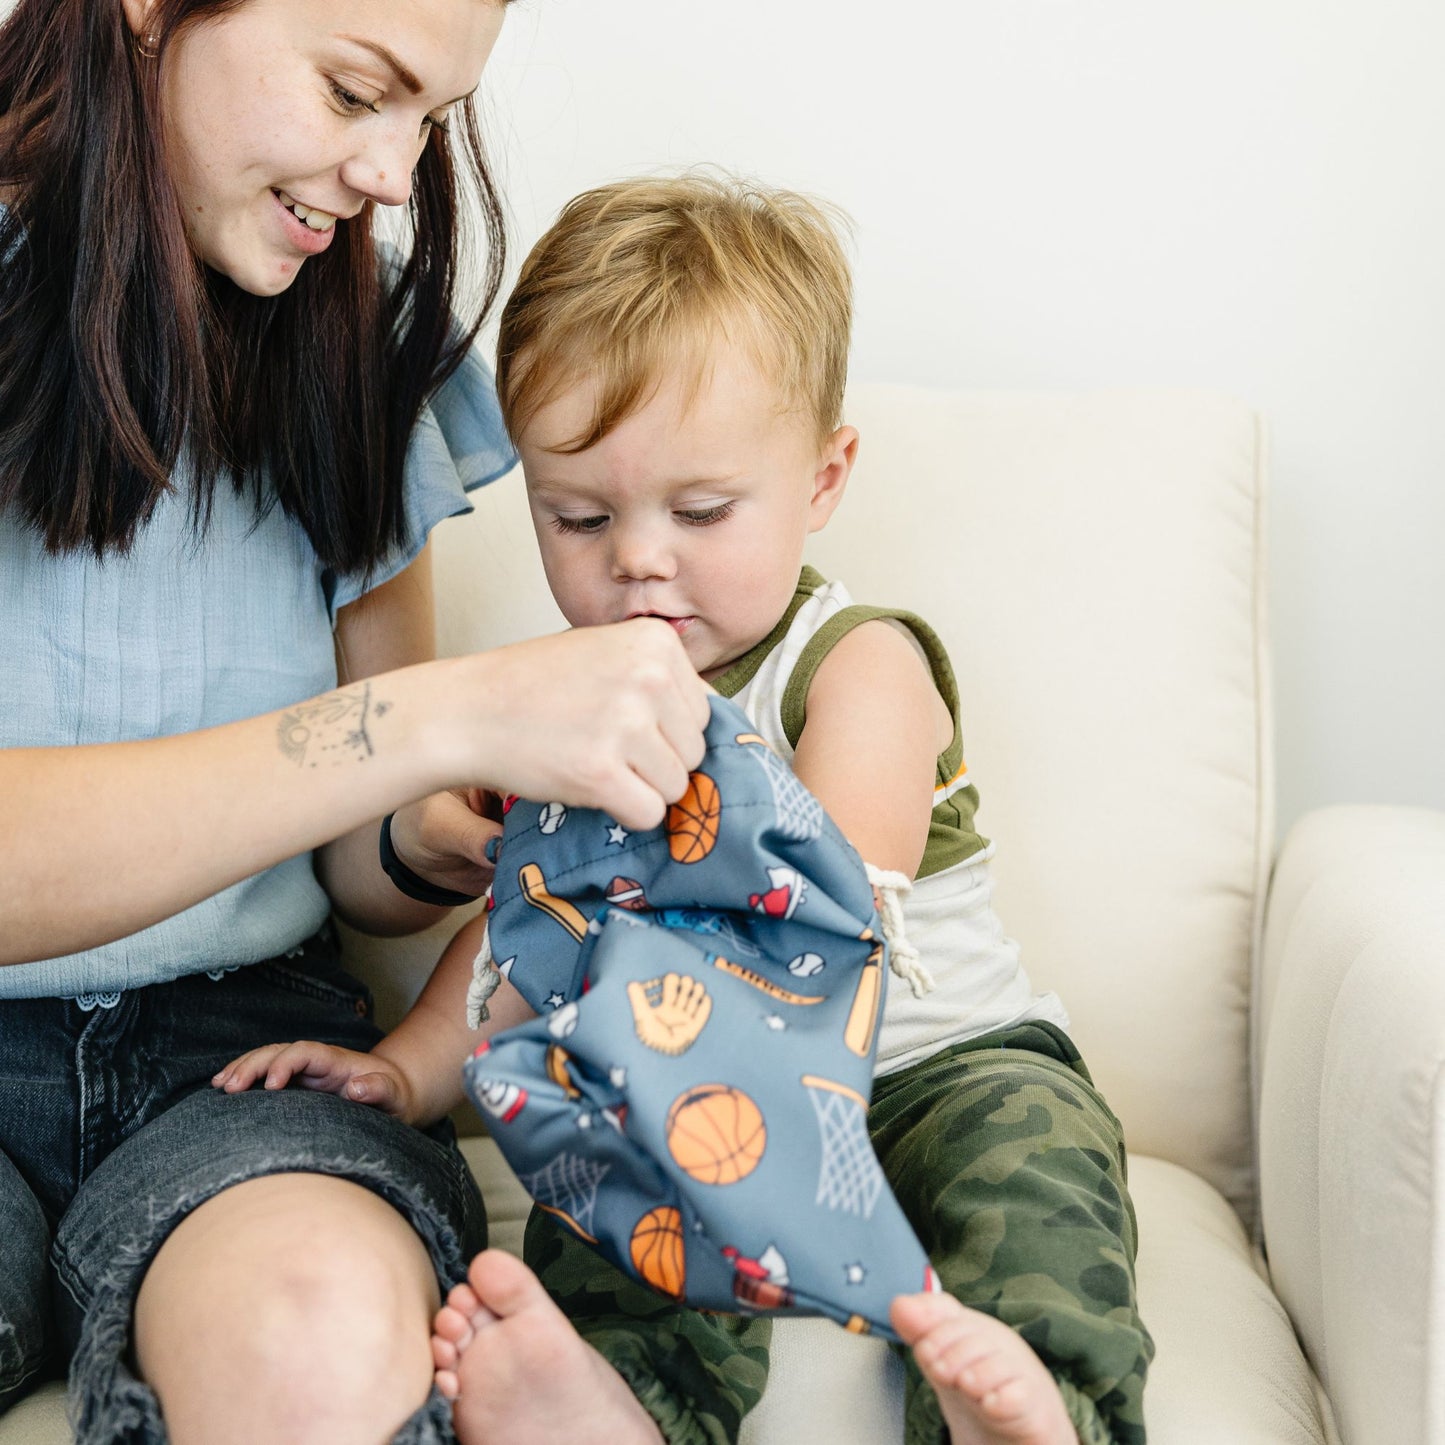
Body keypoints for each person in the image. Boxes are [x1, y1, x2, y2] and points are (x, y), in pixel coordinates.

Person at [218, 173, 1154, 1445]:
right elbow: (509, 930)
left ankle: (1039, 1411)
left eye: (700, 512)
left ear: (821, 481)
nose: (639, 559)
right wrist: (407, 1069)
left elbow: (829, 909)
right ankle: (613, 1402)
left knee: (1037, 1192)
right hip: (698, 1080)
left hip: (940, 1064)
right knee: (625, 1184)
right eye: (580, 516)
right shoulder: (557, 711)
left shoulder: (853, 661)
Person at [0, 2, 712, 1441]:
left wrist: (433, 834)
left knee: (313, 1328)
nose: (393, 173)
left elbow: (354, 855)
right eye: (353, 90)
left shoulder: (361, 339)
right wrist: (442, 715)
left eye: (429, 119)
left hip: (246, 1064)